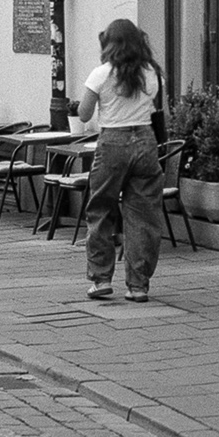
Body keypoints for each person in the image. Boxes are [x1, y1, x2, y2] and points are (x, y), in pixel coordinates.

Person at [73, 19, 165, 303]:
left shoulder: (101, 74)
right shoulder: (152, 73)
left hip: (112, 142)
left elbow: (84, 114)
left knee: (101, 208)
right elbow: (161, 111)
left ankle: (101, 279)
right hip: (146, 141)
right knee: (143, 215)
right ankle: (138, 285)